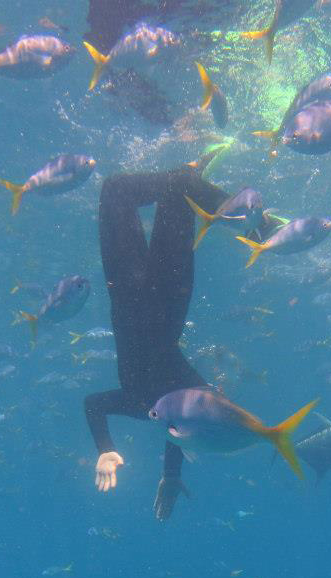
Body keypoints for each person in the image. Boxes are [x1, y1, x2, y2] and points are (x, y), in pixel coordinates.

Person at [84, 161, 230, 520]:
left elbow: (93, 405)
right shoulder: (179, 390)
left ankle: (228, 204)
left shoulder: (137, 403)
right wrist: (170, 475)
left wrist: (104, 450)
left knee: (116, 188)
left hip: (124, 287)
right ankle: (251, 220)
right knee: (178, 187)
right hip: (167, 299)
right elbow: (182, 426)